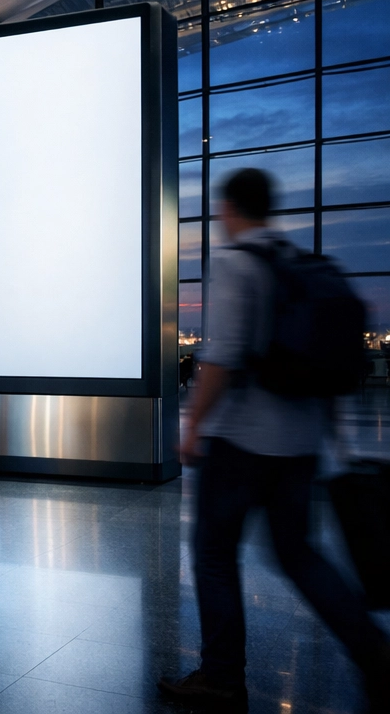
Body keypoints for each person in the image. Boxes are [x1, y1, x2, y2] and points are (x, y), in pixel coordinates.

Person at [159, 169, 389, 711]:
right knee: (299, 555)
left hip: (241, 442)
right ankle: (374, 652)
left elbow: (224, 355)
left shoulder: (240, 264)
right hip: (299, 444)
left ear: (230, 209)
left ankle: (220, 677)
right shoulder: (294, 263)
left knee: (214, 556)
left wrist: (193, 426)